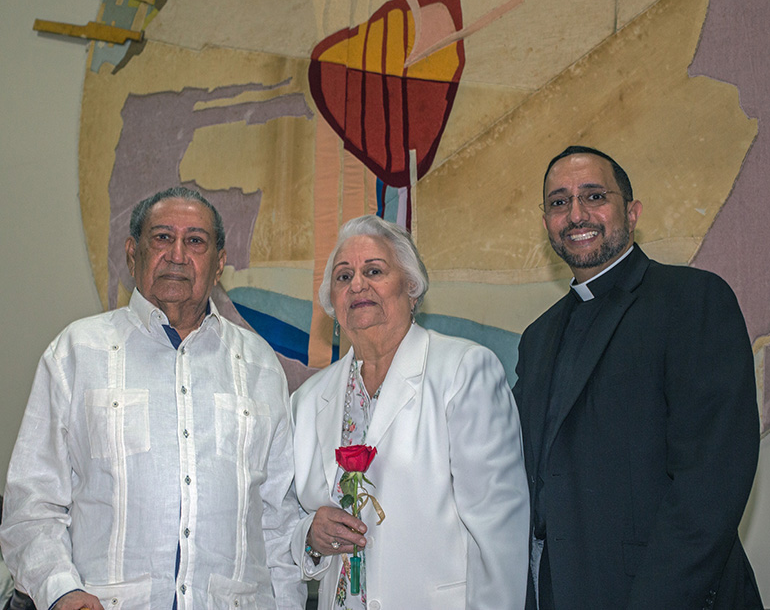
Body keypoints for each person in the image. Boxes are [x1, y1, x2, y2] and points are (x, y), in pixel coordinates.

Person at [0, 187, 305, 610]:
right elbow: (32, 504)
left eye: (195, 241)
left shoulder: (258, 365)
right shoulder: (76, 352)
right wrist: (61, 591)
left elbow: (278, 518)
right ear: (132, 254)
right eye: (162, 237)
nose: (177, 254)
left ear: (218, 264)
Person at [514, 146, 763, 609]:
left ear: (631, 213)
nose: (576, 214)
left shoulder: (692, 300)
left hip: (664, 594)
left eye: (593, 196)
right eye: (559, 202)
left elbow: (710, 482)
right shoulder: (538, 337)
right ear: (546, 221)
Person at [290, 214, 530, 610]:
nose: (358, 284)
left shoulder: (463, 371)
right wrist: (310, 538)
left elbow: (498, 532)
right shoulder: (310, 399)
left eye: (374, 270)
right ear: (331, 303)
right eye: (343, 276)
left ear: (411, 288)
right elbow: (290, 520)